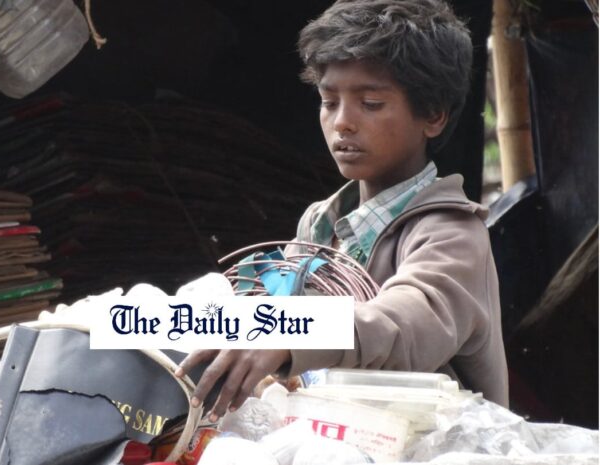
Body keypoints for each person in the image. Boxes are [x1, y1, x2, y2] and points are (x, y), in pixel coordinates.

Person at [175, 0, 509, 422]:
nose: (342, 123)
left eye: (370, 103)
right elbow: (275, 305)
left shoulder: (453, 235)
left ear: (434, 115)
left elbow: (400, 323)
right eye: (329, 102)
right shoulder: (319, 224)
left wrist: (291, 333)